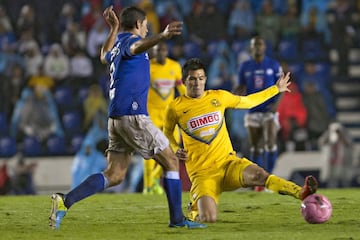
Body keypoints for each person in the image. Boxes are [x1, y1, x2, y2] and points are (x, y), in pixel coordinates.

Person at [49, 6, 206, 230]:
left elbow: (103, 56)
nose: (147, 28)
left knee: (114, 174)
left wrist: (112, 28)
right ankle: (177, 221)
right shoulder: (131, 43)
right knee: (171, 161)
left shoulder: (114, 45)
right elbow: (136, 46)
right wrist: (161, 35)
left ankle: (65, 202)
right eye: (145, 25)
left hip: (115, 119)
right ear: (137, 25)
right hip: (133, 116)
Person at [163, 58, 318, 223]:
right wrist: (174, 147)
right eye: (192, 79)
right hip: (202, 174)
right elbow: (167, 132)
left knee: (260, 174)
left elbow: (248, 101)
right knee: (209, 218)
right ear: (184, 81)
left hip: (228, 164)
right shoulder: (175, 107)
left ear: (205, 79)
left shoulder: (219, 97)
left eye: (201, 78)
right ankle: (194, 209)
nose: (197, 83)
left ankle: (301, 192)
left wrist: (275, 89)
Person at [233, 36, 282, 186]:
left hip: (269, 110)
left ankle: (269, 177)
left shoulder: (273, 65)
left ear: (264, 47)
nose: (258, 48)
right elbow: (241, 86)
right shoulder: (245, 66)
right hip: (252, 110)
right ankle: (259, 181)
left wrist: (276, 105)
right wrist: (235, 93)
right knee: (256, 145)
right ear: (251, 48)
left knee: (270, 141)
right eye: (255, 45)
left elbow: (282, 87)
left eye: (260, 45)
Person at [143, 41, 186, 195]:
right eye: (157, 51)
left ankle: (154, 179)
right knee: (149, 150)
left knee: (173, 149)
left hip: (169, 114)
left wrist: (191, 100)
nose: (161, 53)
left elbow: (180, 87)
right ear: (154, 52)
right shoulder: (148, 66)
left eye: (163, 50)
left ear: (167, 52)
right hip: (152, 113)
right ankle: (147, 186)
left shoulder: (174, 66)